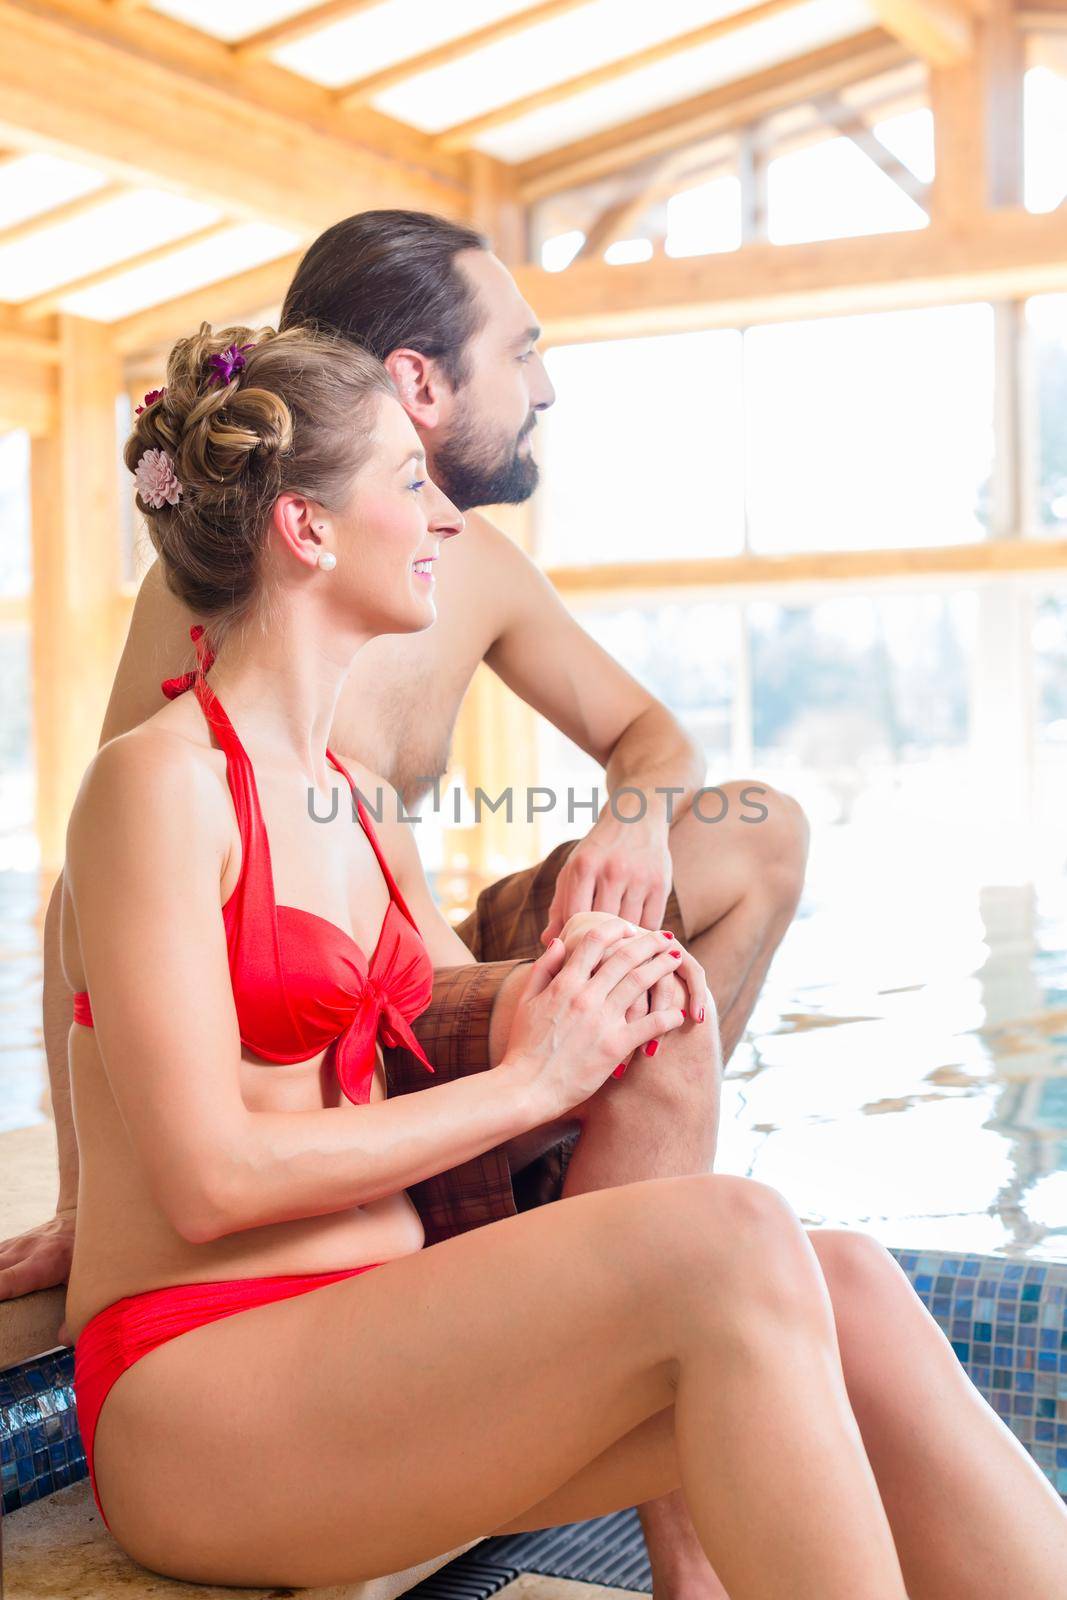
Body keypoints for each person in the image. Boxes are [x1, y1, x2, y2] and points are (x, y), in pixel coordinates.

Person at [59, 322, 1067, 1597]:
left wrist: (594, 981)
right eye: (408, 483)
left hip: (373, 1351)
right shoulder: (156, 786)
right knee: (732, 1236)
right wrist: (536, 1079)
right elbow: (206, 1178)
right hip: (204, 1394)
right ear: (308, 531)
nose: (441, 520)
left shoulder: (357, 814)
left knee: (850, 1284)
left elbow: (450, 1028)